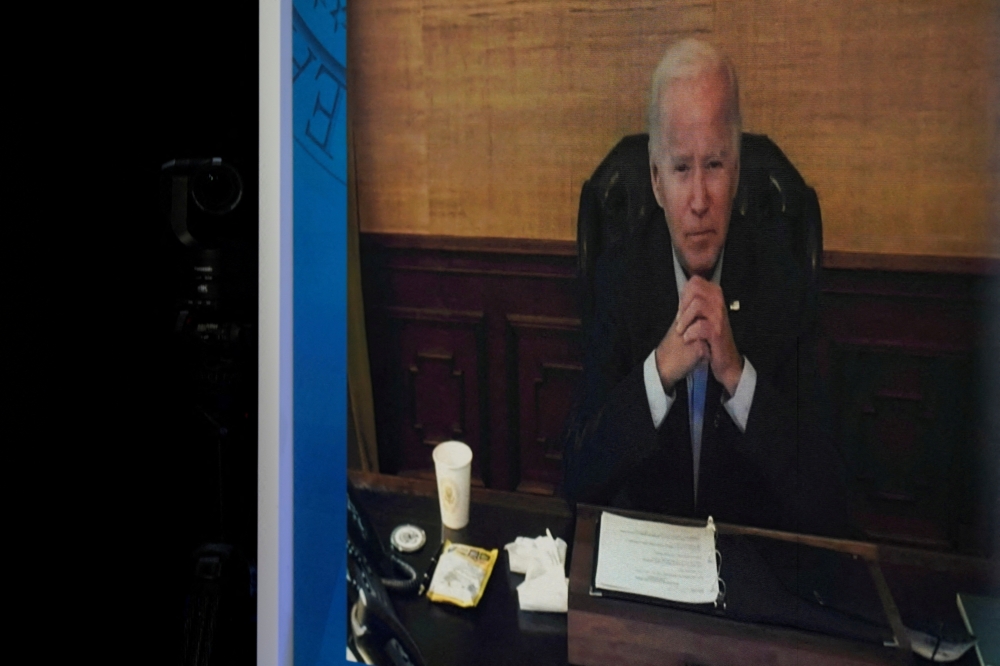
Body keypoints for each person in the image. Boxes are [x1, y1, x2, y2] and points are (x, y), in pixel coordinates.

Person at [563, 39, 850, 538]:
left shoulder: (781, 279)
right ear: (656, 181)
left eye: (714, 165)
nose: (699, 200)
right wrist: (658, 372)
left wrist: (737, 375)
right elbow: (577, 479)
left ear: (736, 172)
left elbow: (826, 498)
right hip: (649, 552)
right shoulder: (619, 275)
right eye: (681, 168)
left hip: (748, 556)